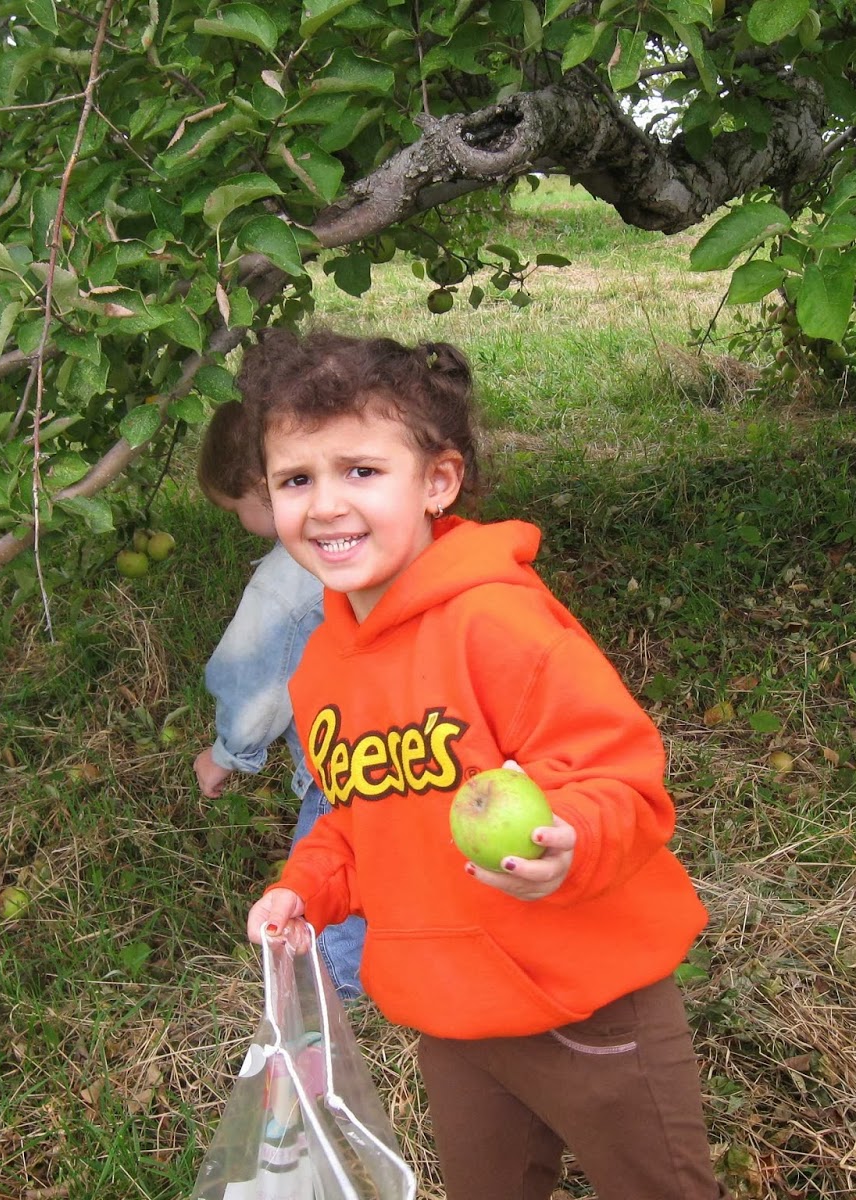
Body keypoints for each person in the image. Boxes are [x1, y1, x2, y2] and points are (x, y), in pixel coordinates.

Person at [239, 330, 722, 1199]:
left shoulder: (495, 625)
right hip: (454, 1019)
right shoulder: (323, 668)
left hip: (588, 1004)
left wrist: (569, 839)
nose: (325, 505)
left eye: (361, 471)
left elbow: (622, 778)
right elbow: (355, 817)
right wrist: (302, 891)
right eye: (295, 479)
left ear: (438, 482)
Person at [193, 400, 366, 999]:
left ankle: (333, 984)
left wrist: (227, 751)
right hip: (409, 743)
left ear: (260, 489)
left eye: (236, 509)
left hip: (343, 760)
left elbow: (257, 673)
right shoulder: (370, 539)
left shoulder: (286, 581)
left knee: (323, 871)